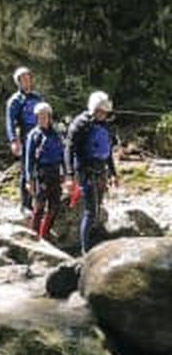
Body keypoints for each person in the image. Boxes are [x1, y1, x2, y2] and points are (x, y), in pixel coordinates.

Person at [64, 91, 119, 253]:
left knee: (98, 207)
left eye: (105, 112)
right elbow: (69, 149)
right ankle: (85, 250)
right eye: (100, 111)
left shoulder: (104, 125)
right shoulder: (81, 123)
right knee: (91, 211)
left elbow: (107, 151)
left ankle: (93, 241)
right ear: (93, 109)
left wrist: (114, 174)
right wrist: (69, 175)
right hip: (85, 170)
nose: (103, 114)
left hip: (100, 170)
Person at [5, 66, 44, 215]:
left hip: (40, 135)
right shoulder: (15, 101)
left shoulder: (37, 97)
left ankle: (39, 201)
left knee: (42, 168)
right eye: (24, 79)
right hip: (25, 136)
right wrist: (13, 140)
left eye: (29, 78)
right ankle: (25, 204)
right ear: (18, 82)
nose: (27, 81)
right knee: (27, 170)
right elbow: (10, 121)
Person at [24, 103, 64, 239]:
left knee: (55, 206)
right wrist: (28, 179)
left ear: (49, 116)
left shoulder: (56, 134)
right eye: (39, 116)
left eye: (44, 116)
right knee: (39, 206)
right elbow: (28, 159)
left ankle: (44, 232)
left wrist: (66, 172)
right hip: (41, 174)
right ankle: (34, 235)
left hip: (55, 172)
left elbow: (63, 154)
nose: (42, 119)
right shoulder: (34, 135)